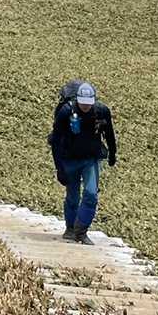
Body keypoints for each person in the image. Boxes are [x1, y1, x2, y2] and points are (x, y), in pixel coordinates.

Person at [49, 81, 118, 244]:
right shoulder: (66, 112)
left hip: (90, 159)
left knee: (91, 194)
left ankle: (81, 231)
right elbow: (55, 141)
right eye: (82, 103)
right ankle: (70, 229)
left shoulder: (102, 111)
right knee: (73, 196)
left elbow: (109, 134)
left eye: (88, 104)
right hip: (69, 159)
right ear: (77, 100)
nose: (85, 107)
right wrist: (59, 168)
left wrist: (112, 154)